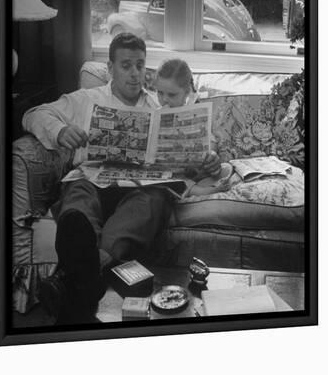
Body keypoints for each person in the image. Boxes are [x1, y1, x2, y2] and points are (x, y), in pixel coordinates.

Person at [22, 35, 222, 322]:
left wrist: (209, 156)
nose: (134, 73)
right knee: (79, 195)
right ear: (110, 67)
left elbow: (201, 143)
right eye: (126, 65)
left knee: (151, 202)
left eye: (140, 65)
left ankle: (74, 277)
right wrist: (61, 132)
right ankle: (90, 273)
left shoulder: (160, 104)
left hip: (141, 190)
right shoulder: (86, 99)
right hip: (93, 180)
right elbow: (33, 114)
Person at [154, 58, 232, 197]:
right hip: (169, 175)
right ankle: (204, 191)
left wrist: (211, 156)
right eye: (160, 93)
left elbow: (211, 144)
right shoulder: (155, 113)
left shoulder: (196, 112)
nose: (164, 99)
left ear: (187, 92)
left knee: (226, 169)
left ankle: (197, 188)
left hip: (196, 173)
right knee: (168, 179)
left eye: (172, 94)